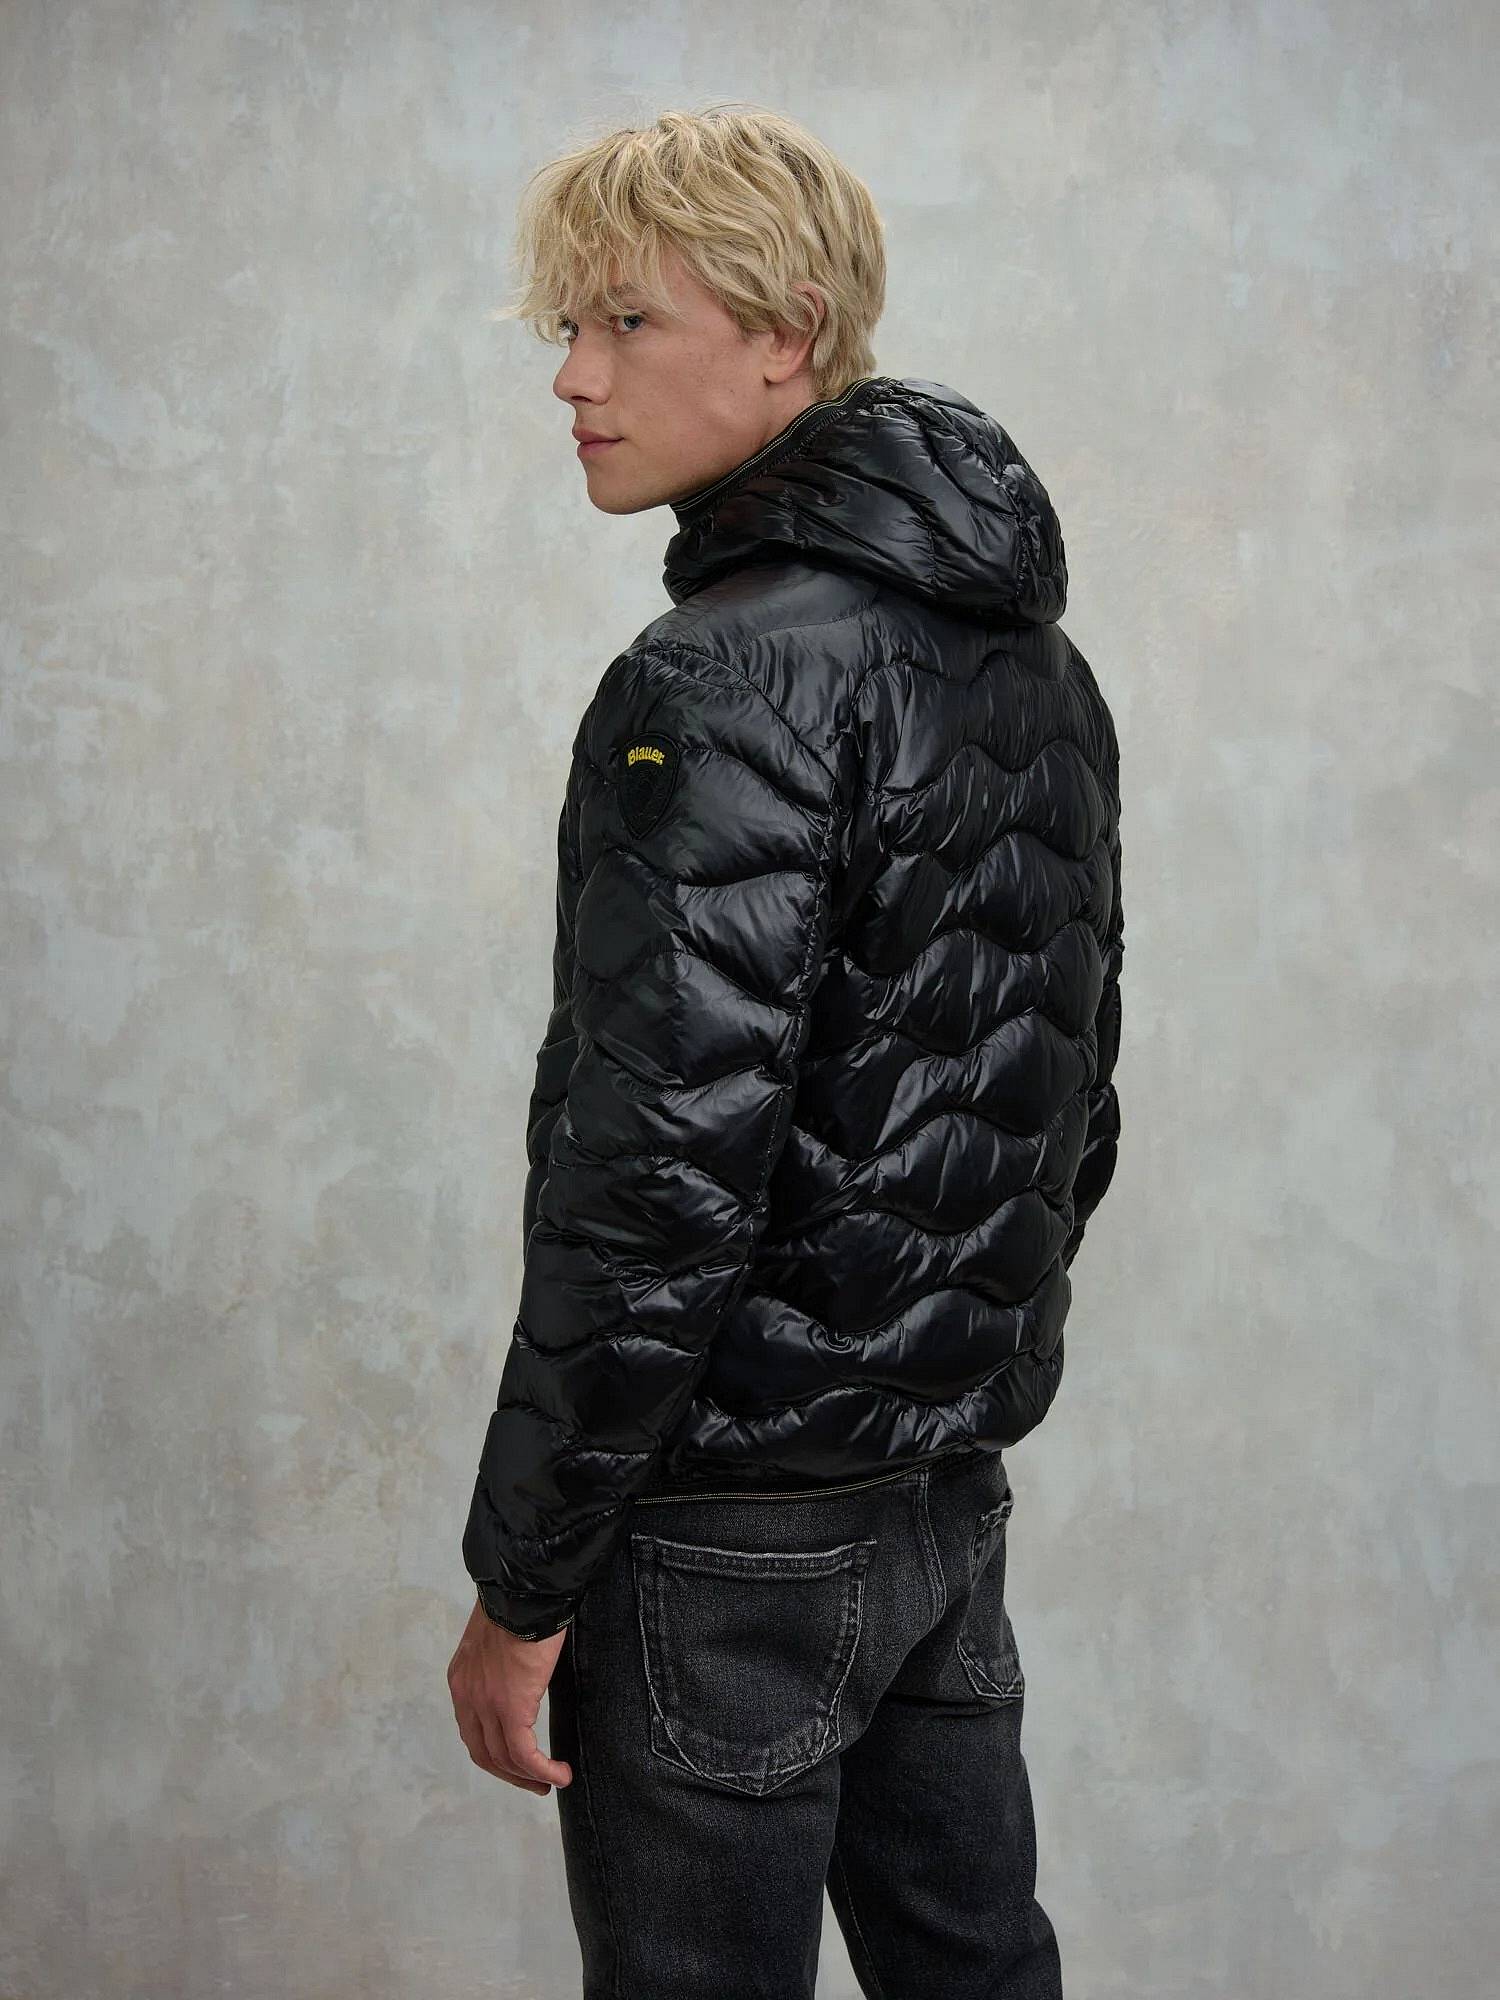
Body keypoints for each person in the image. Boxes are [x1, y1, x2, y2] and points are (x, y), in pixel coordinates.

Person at [447, 101, 1123, 1999]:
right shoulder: (1034, 668)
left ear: (786, 333)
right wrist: (934, 1391)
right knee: (975, 1972)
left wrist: (522, 1585)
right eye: (565, 329)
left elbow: (655, 1178)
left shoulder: (716, 677)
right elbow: (1070, 1107)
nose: (573, 381)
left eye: (625, 323)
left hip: (727, 1540)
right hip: (938, 1500)